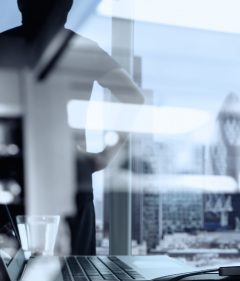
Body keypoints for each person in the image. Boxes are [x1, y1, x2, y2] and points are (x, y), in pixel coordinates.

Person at [0, 0, 144, 254]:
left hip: (13, 176)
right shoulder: (83, 49)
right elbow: (132, 98)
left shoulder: (3, 45)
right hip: (68, 174)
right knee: (75, 275)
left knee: (13, 276)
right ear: (66, 7)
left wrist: (105, 157)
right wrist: (105, 156)